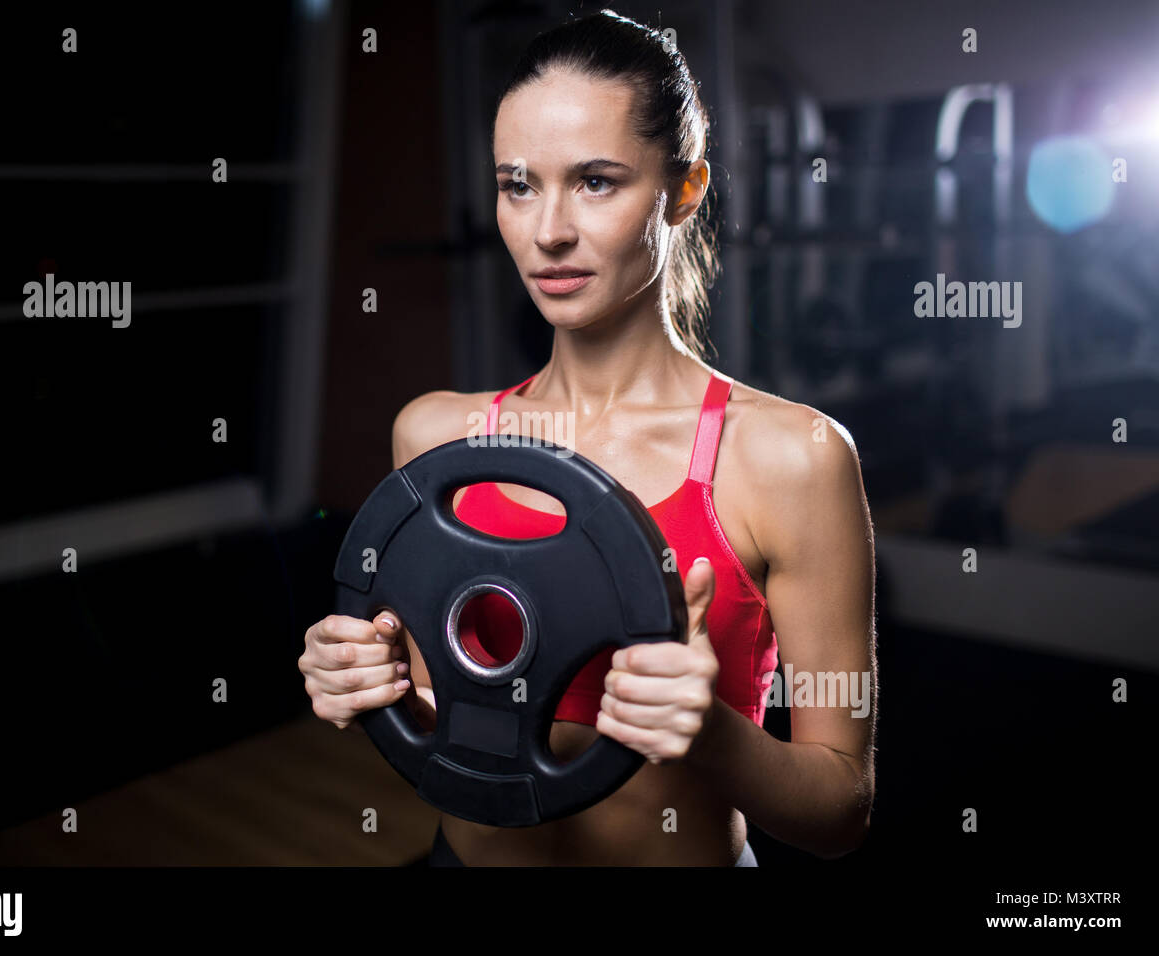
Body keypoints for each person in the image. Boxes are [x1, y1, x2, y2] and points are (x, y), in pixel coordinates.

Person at [299, 8, 876, 866]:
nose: (548, 231)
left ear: (684, 190)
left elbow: (841, 807)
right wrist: (368, 687)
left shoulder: (791, 457)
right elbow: (448, 735)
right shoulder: (435, 440)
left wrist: (705, 732)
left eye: (597, 181)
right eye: (518, 184)